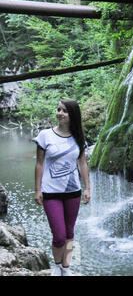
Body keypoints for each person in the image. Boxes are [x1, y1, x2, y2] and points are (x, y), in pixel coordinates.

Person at [33, 99, 91, 276]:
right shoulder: (45, 135)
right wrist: (37, 189)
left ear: (72, 115)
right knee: (59, 235)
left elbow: (82, 164)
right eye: (58, 109)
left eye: (64, 110)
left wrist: (87, 188)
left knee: (69, 232)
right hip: (50, 192)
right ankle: (56, 266)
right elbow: (39, 164)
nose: (59, 113)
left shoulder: (79, 138)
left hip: (73, 191)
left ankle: (66, 268)